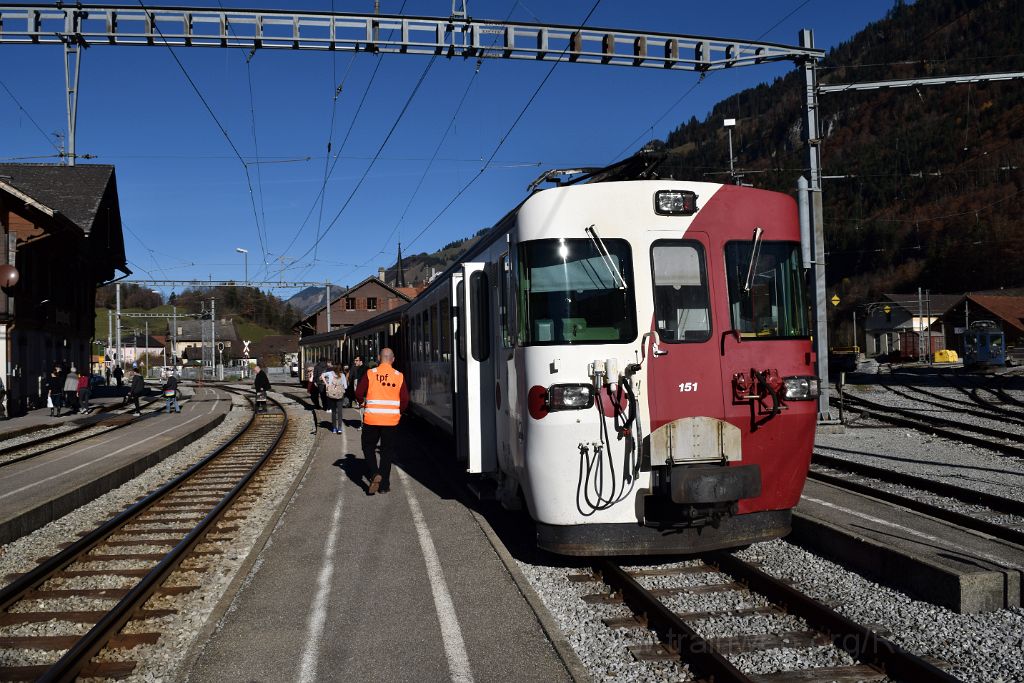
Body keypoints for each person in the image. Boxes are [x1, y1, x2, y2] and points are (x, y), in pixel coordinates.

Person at [355, 348, 408, 495]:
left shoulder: (370, 373)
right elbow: (404, 399)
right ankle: (384, 485)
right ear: (393, 359)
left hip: (372, 418)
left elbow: (359, 392)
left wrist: (361, 402)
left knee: (367, 446)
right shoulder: (399, 376)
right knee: (387, 452)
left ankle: (374, 473)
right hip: (391, 420)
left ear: (379, 358)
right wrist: (399, 412)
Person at [321, 362, 347, 434]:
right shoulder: (342, 375)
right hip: (340, 395)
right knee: (340, 412)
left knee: (334, 412)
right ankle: (339, 428)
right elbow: (345, 386)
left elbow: (322, 375)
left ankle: (334, 428)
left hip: (331, 394)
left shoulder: (330, 373)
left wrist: (327, 384)